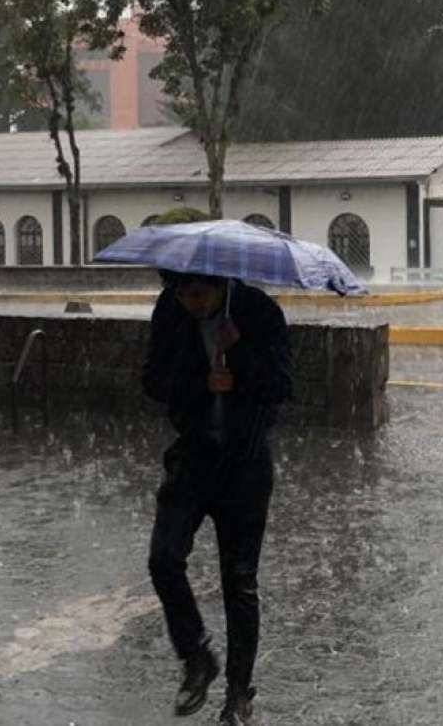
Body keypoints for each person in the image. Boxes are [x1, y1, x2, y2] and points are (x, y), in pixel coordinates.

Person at [143, 270, 292, 725]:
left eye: (200, 295)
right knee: (163, 560)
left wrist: (240, 354)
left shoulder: (260, 312)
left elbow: (282, 387)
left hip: (245, 464)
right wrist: (200, 381)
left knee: (239, 581)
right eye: (183, 295)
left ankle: (238, 696)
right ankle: (196, 655)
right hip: (193, 458)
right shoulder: (171, 310)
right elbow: (152, 381)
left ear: (222, 284)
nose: (192, 304)